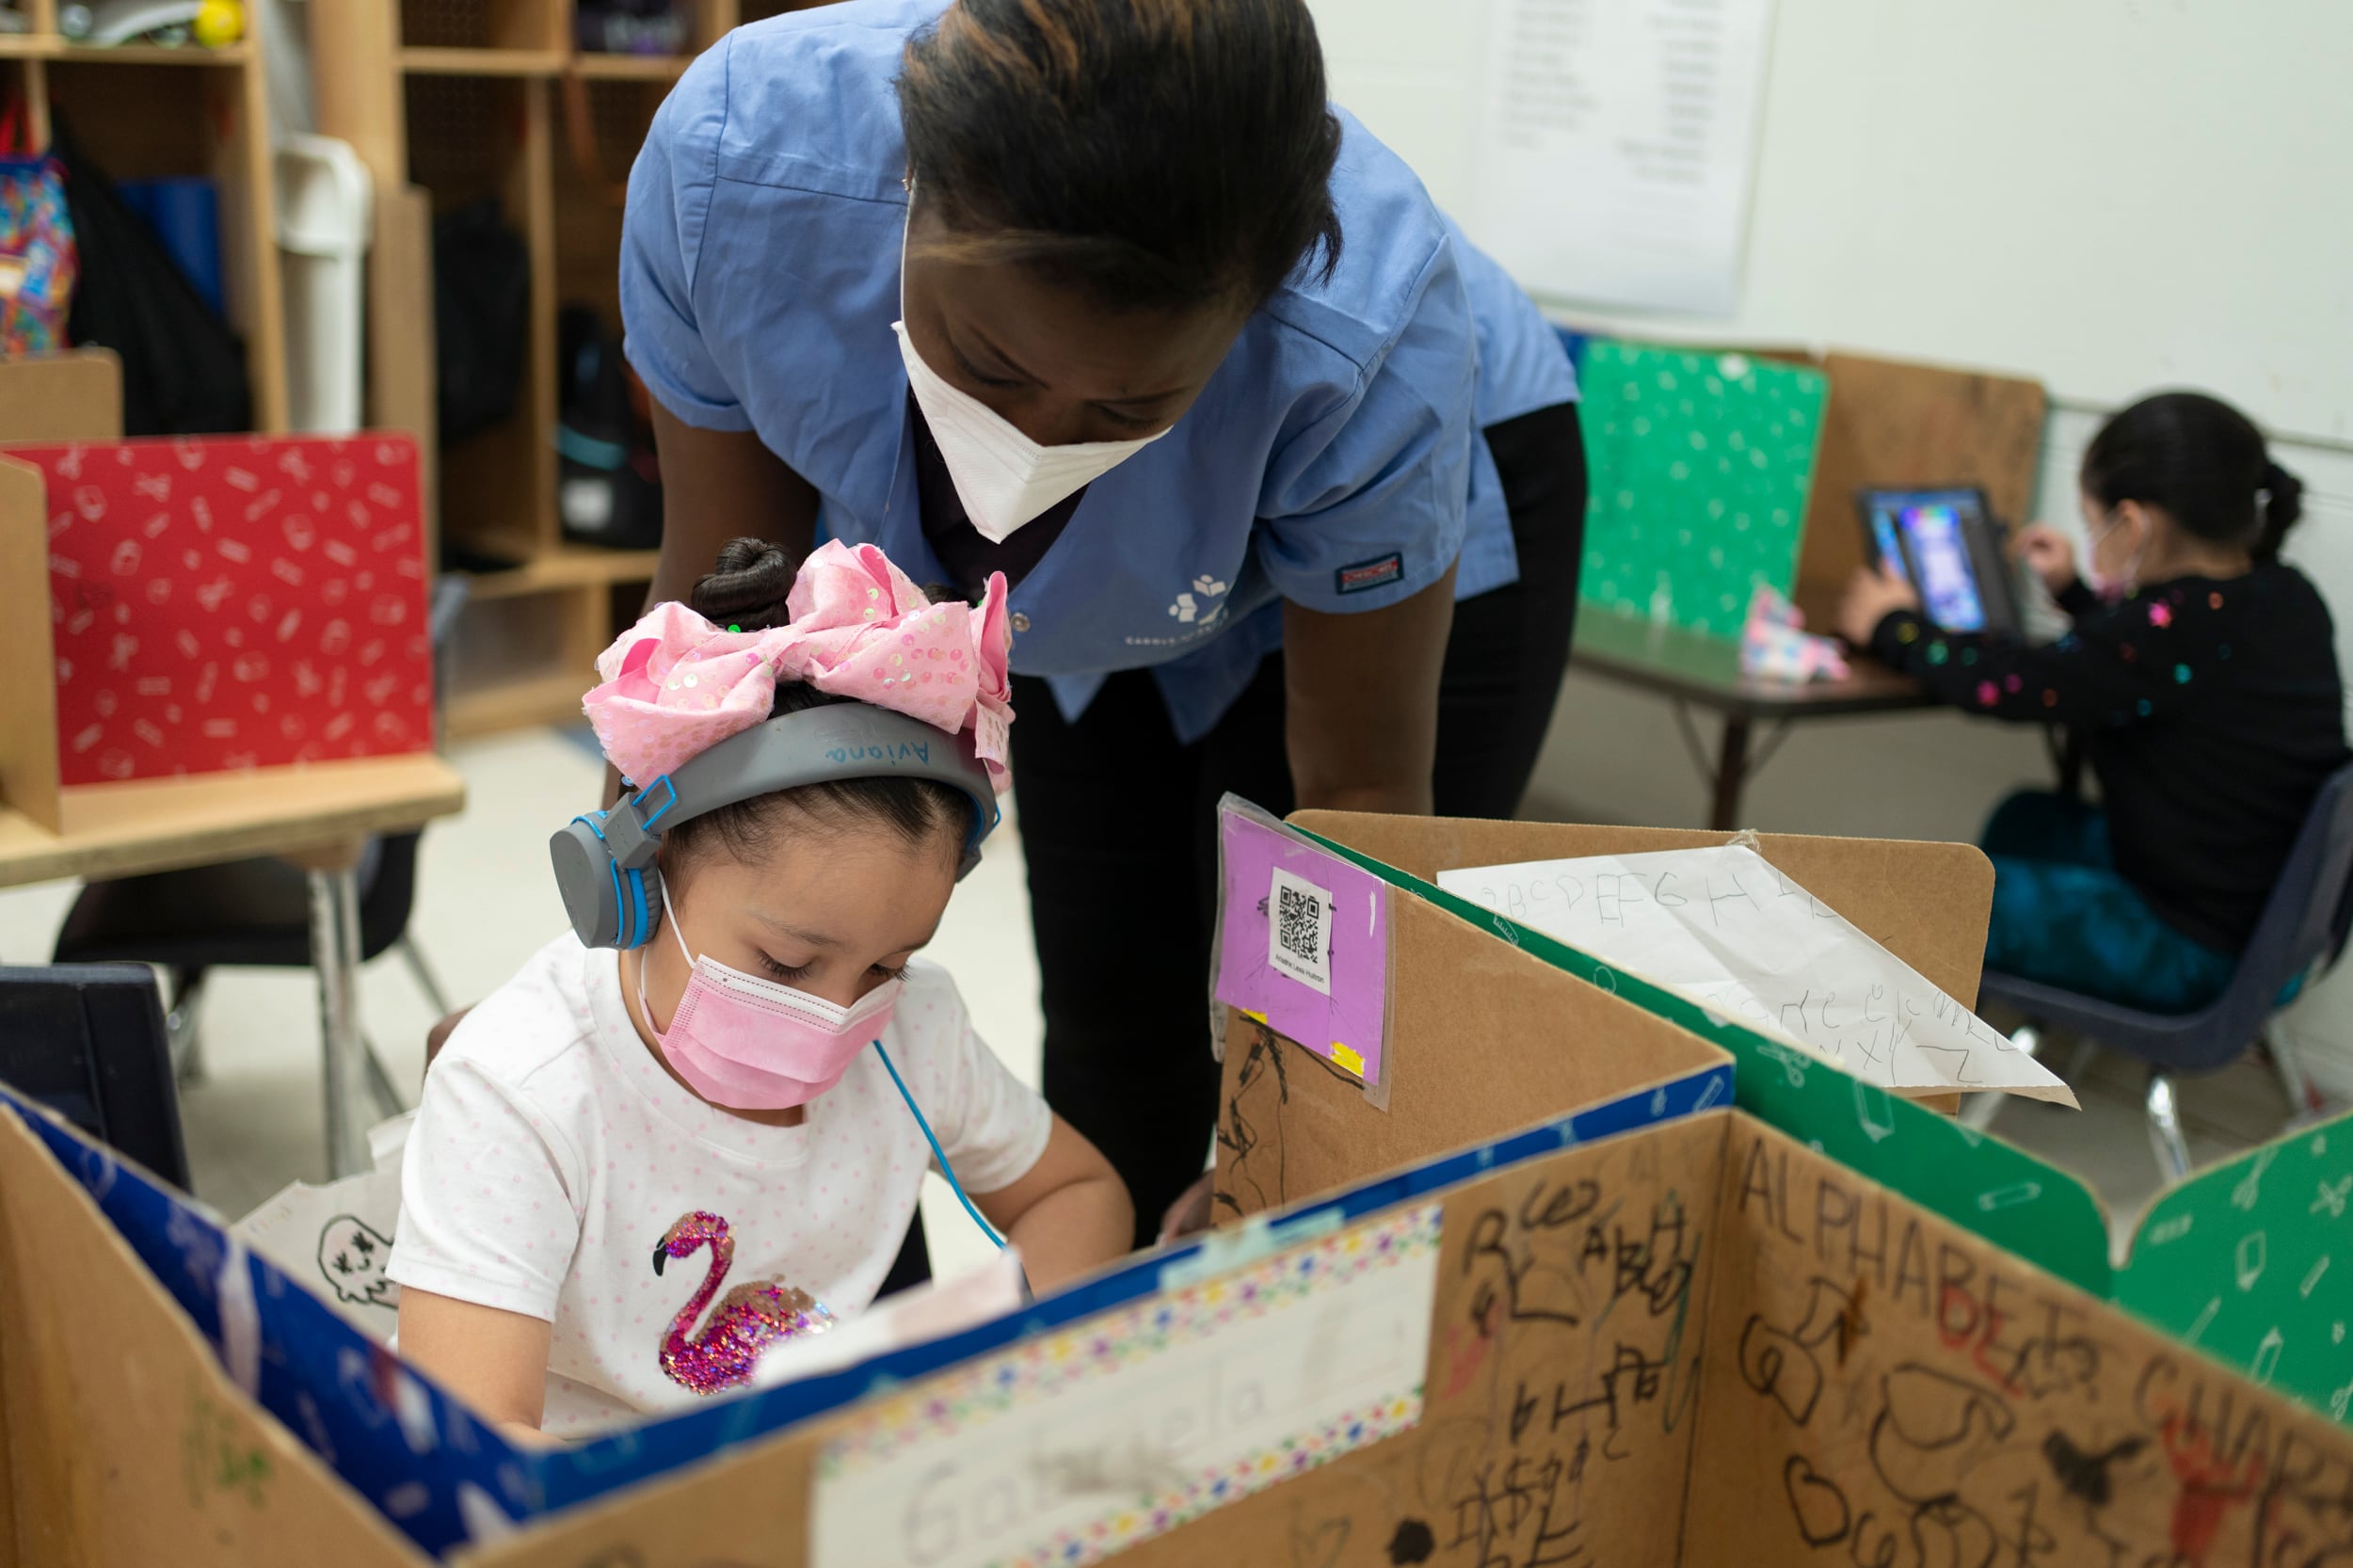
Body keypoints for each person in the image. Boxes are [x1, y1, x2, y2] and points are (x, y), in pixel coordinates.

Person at [623, 0, 1584, 1247]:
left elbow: (1356, 797)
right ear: (915, 188)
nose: (1036, 441)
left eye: (1121, 405)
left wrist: (1299, 1132)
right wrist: (623, 980)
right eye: (991, 364)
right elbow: (724, 621)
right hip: (1086, 588)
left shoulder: (1365, 337)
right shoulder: (741, 170)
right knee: (1111, 1033)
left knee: (1298, 1118)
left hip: (1377, 580)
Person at [392, 540, 1131, 1441]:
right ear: (637, 881)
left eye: (885, 966)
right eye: (785, 965)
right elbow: (473, 1448)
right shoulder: (518, 1095)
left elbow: (1081, 1194)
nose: (836, 1014)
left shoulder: (916, 1036)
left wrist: (1002, 1372)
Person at [1837, 392, 2347, 1014]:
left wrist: (1896, 626)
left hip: (2199, 946)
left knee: (1944, 899)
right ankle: (2011, 1020)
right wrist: (2078, 594)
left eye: (2093, 522)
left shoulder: (2165, 631)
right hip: (2270, 924)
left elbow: (2010, 685)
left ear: (2132, 526)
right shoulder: (2285, 596)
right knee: (2026, 822)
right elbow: (2156, 666)